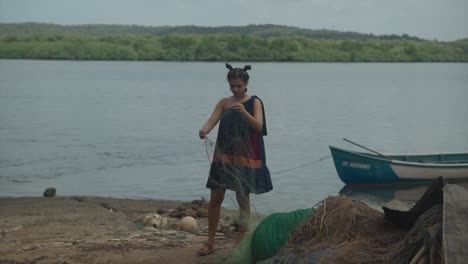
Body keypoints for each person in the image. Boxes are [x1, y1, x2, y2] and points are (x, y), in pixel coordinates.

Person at [197, 63, 273, 256]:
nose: (236, 89)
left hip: (246, 157)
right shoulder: (224, 102)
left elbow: (259, 126)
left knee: (242, 196)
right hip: (224, 155)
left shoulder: (255, 102)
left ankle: (241, 240)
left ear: (246, 84)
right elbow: (212, 119)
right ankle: (210, 241)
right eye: (233, 86)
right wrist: (204, 130)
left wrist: (244, 112)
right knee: (216, 197)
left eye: (239, 86)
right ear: (229, 85)